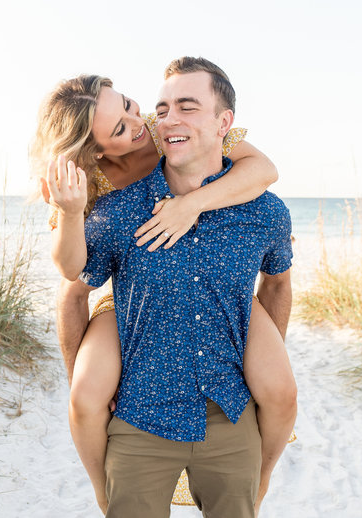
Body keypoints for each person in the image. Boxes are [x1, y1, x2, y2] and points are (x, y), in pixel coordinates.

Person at [31, 60, 297, 516]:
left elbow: (264, 169)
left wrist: (189, 206)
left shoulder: (164, 124)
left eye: (131, 106)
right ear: (95, 149)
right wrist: (71, 212)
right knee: (86, 396)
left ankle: (261, 478)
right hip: (132, 291)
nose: (140, 123)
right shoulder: (92, 188)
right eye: (119, 126)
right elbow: (71, 274)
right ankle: (103, 489)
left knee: (279, 390)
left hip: (219, 289)